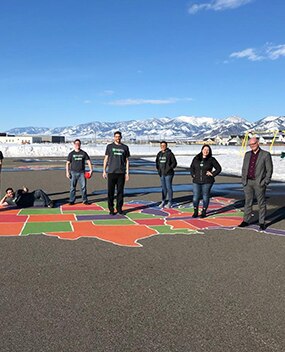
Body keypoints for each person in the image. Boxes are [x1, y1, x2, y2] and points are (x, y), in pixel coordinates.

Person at [238, 137, 273, 231]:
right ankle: (246, 220)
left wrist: (265, 182)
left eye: (253, 144)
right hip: (247, 182)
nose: (252, 146)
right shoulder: (247, 154)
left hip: (259, 182)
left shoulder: (265, 154)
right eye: (250, 145)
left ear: (258, 143)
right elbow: (244, 168)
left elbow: (269, 170)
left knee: (261, 203)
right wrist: (243, 180)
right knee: (247, 202)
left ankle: (261, 222)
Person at [190, 144, 222, 218]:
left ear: (209, 151)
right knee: (195, 197)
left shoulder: (211, 159)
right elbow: (192, 167)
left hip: (207, 181)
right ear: (202, 150)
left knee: (205, 196)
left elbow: (219, 168)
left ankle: (204, 211)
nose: (206, 151)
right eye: (204, 149)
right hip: (196, 181)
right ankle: (195, 211)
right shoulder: (196, 158)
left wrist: (212, 174)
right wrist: (193, 174)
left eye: (207, 150)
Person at [103, 131, 130, 215]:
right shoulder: (110, 146)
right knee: (110, 192)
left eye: (119, 137)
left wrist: (127, 173)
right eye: (116, 136)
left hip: (121, 173)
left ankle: (119, 208)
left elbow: (127, 161)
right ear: (114, 137)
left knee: (120, 192)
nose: (117, 138)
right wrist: (104, 170)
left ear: (121, 137)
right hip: (111, 172)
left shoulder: (125, 147)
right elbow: (106, 159)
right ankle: (111, 208)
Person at [66, 139, 92, 205]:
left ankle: (85, 200)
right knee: (72, 187)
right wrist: (67, 172)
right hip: (73, 172)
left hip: (82, 173)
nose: (77, 145)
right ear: (74, 145)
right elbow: (68, 163)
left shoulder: (83, 153)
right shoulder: (71, 154)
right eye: (76, 144)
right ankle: (72, 200)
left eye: (79, 144)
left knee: (83, 187)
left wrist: (91, 170)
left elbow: (88, 161)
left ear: (80, 144)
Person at [156, 141, 177, 208]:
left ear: (166, 146)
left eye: (164, 145)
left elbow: (174, 163)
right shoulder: (159, 154)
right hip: (161, 173)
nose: (163, 147)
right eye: (161, 145)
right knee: (163, 188)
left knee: (168, 187)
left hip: (168, 174)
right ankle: (163, 201)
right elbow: (157, 162)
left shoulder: (170, 154)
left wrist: (169, 169)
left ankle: (170, 202)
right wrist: (158, 170)